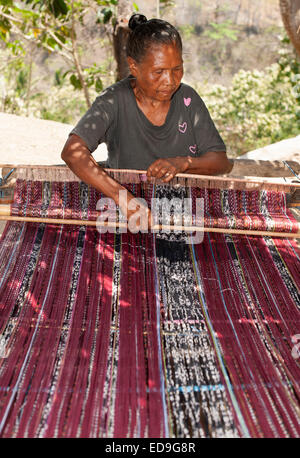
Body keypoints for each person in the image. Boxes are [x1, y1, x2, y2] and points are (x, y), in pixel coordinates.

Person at [61, 14, 232, 230]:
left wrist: (183, 163)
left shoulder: (188, 100)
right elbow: (72, 152)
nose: (170, 81)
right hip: (128, 220)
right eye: (158, 72)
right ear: (134, 67)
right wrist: (123, 198)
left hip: (182, 219)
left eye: (177, 69)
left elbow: (221, 162)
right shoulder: (114, 100)